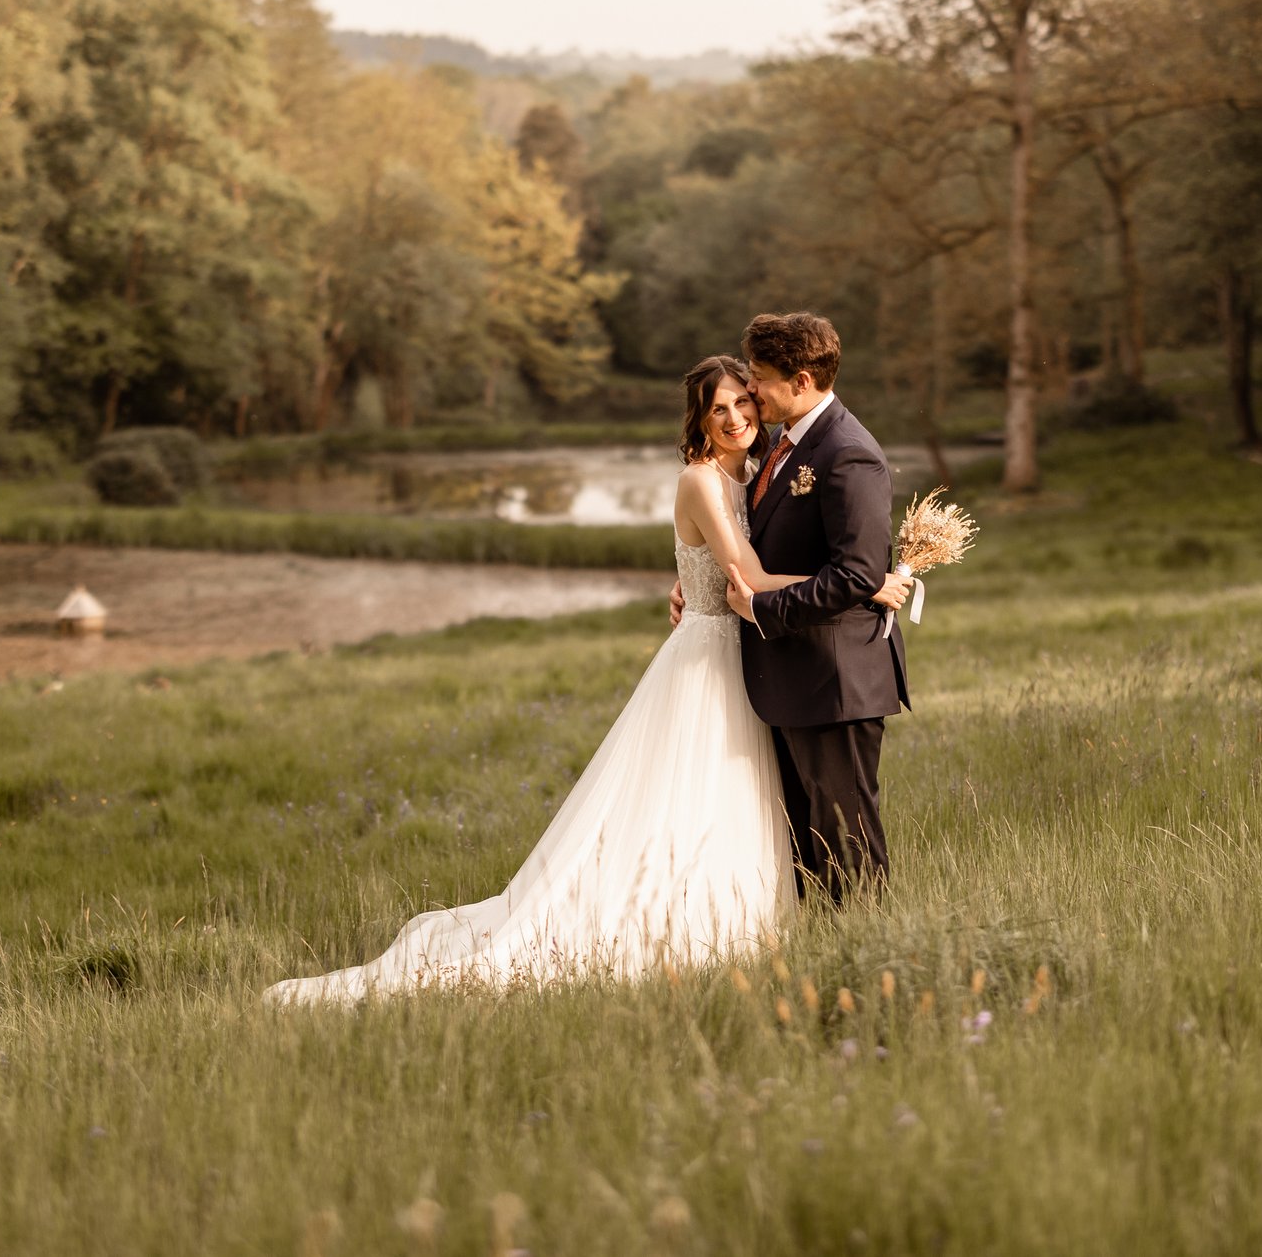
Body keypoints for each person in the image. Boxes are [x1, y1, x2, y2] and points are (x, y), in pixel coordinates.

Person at [265, 354, 909, 1003]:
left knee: (740, 795)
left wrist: (693, 580)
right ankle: (681, 927)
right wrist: (866, 585)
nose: (737, 416)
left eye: (744, 401)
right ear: (699, 417)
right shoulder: (701, 481)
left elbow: (758, 551)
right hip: (708, 663)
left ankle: (756, 925)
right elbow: (747, 574)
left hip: (749, 659)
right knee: (683, 802)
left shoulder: (760, 468)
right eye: (720, 408)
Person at [674, 312, 907, 900]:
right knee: (806, 843)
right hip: (788, 677)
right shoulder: (779, 445)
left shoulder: (848, 452)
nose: (748, 392)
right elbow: (749, 538)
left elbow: (854, 572)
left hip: (835, 679)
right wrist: (693, 579)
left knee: (846, 840)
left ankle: (866, 956)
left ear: (800, 381)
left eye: (757, 379)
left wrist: (760, 607)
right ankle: (822, 953)